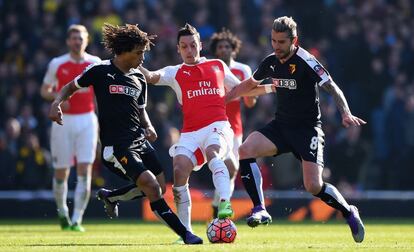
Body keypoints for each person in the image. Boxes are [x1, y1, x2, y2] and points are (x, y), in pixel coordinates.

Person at [48, 23, 203, 244]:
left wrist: (148, 126)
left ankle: (111, 196)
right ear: (124, 51)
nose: (143, 58)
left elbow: (140, 109)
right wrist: (56, 103)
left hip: (139, 140)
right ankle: (186, 235)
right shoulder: (100, 70)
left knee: (158, 186)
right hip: (116, 147)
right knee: (150, 186)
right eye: (139, 53)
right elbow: (70, 87)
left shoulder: (139, 77)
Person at [226, 16, 366, 243]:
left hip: (308, 130)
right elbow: (250, 85)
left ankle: (349, 212)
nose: (276, 46)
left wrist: (345, 113)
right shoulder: (270, 61)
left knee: (313, 186)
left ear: (294, 40)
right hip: (281, 126)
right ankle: (260, 208)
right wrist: (226, 98)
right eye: (273, 41)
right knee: (246, 149)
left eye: (281, 42)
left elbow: (332, 87)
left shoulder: (307, 61)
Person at [139, 23, 274, 235]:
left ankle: (223, 204)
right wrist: (133, 61)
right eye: (184, 47)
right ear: (178, 49)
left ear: (200, 45)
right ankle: (186, 231)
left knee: (213, 153)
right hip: (191, 133)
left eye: (193, 45)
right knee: (179, 170)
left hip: (218, 126)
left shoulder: (217, 66)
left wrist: (272, 87)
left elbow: (242, 88)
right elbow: (151, 77)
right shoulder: (175, 72)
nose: (189, 50)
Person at [41, 24, 100, 232]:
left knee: (85, 169)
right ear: (68, 41)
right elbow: (44, 90)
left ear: (86, 40)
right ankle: (63, 214)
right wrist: (58, 100)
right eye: (74, 38)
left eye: (81, 38)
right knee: (61, 172)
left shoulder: (95, 63)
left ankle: (77, 220)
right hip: (62, 122)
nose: (77, 41)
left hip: (87, 120)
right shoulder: (57, 63)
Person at [209, 28, 256, 217]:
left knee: (231, 170)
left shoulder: (242, 69)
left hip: (235, 129)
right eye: (220, 47)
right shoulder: (211, 68)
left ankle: (218, 205)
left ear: (233, 49)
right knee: (222, 168)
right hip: (212, 126)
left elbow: (250, 102)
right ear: (216, 50)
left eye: (227, 46)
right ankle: (221, 205)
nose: (223, 50)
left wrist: (250, 95)